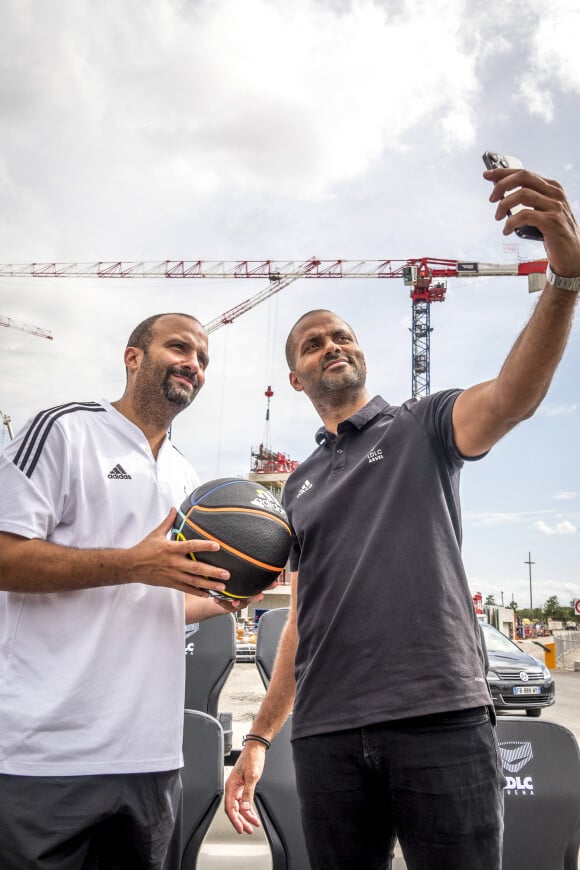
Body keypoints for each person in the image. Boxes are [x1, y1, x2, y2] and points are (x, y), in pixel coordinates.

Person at [224, 165, 580, 869]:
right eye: (313, 343)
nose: (332, 345)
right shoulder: (295, 488)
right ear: (296, 377)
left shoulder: (424, 423)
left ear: (360, 351)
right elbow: (302, 621)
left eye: (342, 335)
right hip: (326, 735)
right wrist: (260, 740)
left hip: (438, 721)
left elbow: (512, 397)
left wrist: (565, 281)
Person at [0, 312, 256, 869]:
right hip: (44, 757)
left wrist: (226, 596)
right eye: (179, 347)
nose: (194, 362)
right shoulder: (65, 430)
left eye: (204, 358)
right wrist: (132, 564)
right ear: (133, 357)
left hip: (152, 758)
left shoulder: (192, 482)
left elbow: (163, 596)